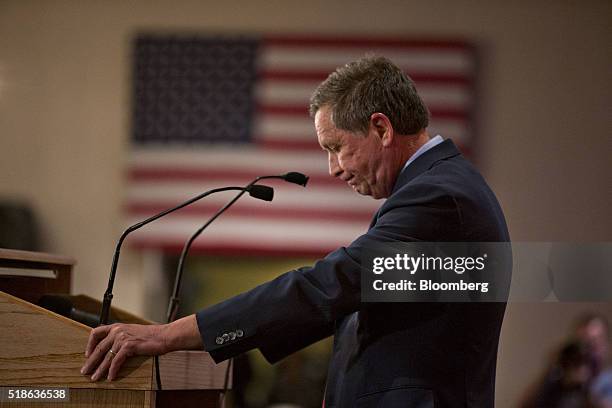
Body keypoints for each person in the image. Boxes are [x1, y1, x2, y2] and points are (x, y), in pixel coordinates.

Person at [81, 56, 511, 407]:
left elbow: (328, 286)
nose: (333, 168)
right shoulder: (441, 190)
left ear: (381, 128)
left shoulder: (438, 199)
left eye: (336, 147)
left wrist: (169, 334)